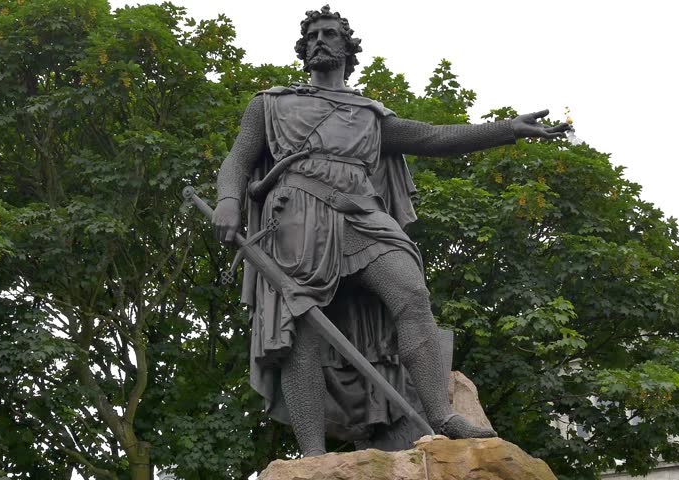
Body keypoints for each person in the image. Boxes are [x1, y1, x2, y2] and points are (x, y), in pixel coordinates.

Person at [212, 5, 570, 457]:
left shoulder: (370, 115)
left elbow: (436, 138)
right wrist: (228, 200)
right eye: (313, 35)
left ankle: (442, 416)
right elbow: (238, 160)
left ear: (348, 47)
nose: (321, 39)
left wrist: (506, 130)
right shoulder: (270, 103)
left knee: (411, 293)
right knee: (299, 327)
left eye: (331, 33)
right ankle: (314, 455)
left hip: (363, 216)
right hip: (297, 220)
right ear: (303, 49)